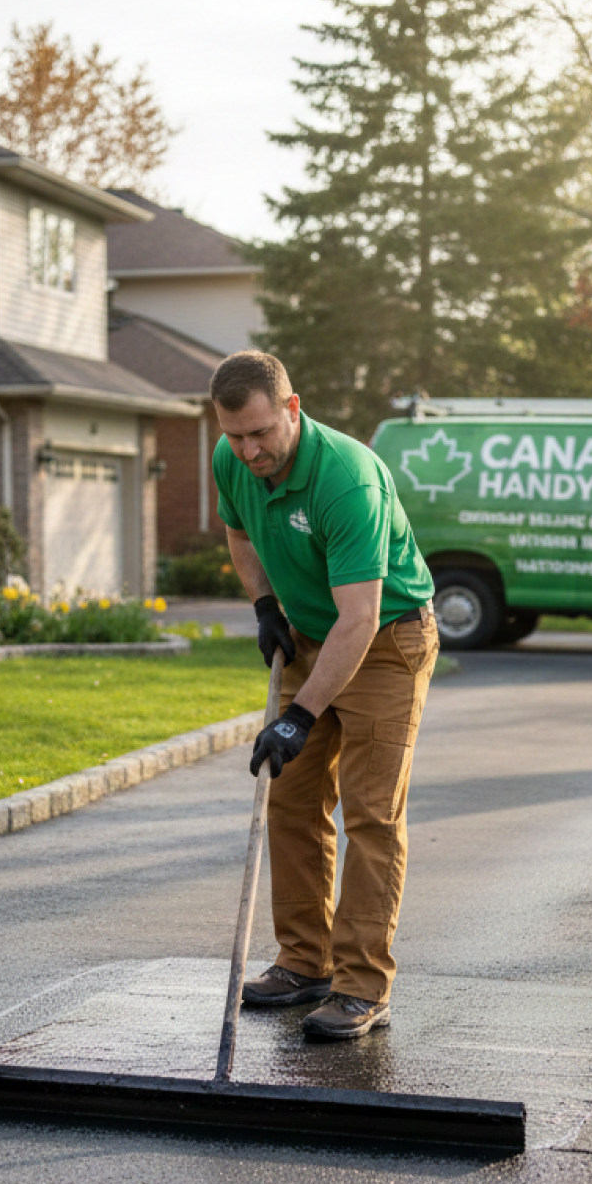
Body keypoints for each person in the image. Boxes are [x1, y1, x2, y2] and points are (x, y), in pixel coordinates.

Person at [213, 351, 438, 1039]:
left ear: (292, 408)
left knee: (370, 816)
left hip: (387, 641)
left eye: (261, 433)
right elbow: (239, 529)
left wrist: (301, 714)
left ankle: (362, 986)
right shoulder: (232, 459)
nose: (249, 450)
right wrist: (263, 606)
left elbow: (362, 618)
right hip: (313, 633)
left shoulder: (346, 479)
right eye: (235, 435)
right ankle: (304, 963)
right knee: (292, 797)